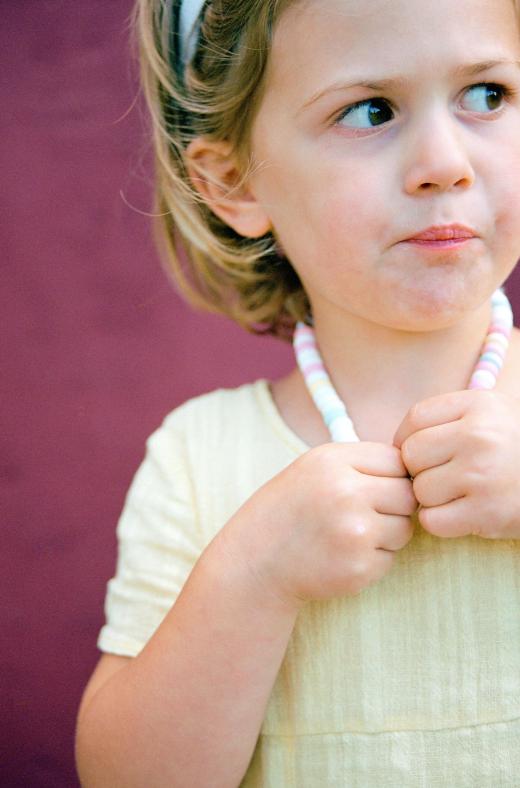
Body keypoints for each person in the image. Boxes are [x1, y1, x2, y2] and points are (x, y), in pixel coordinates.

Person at [75, 0, 520, 784]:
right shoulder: (198, 458)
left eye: (487, 95)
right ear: (236, 182)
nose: (445, 160)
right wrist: (254, 575)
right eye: (371, 110)